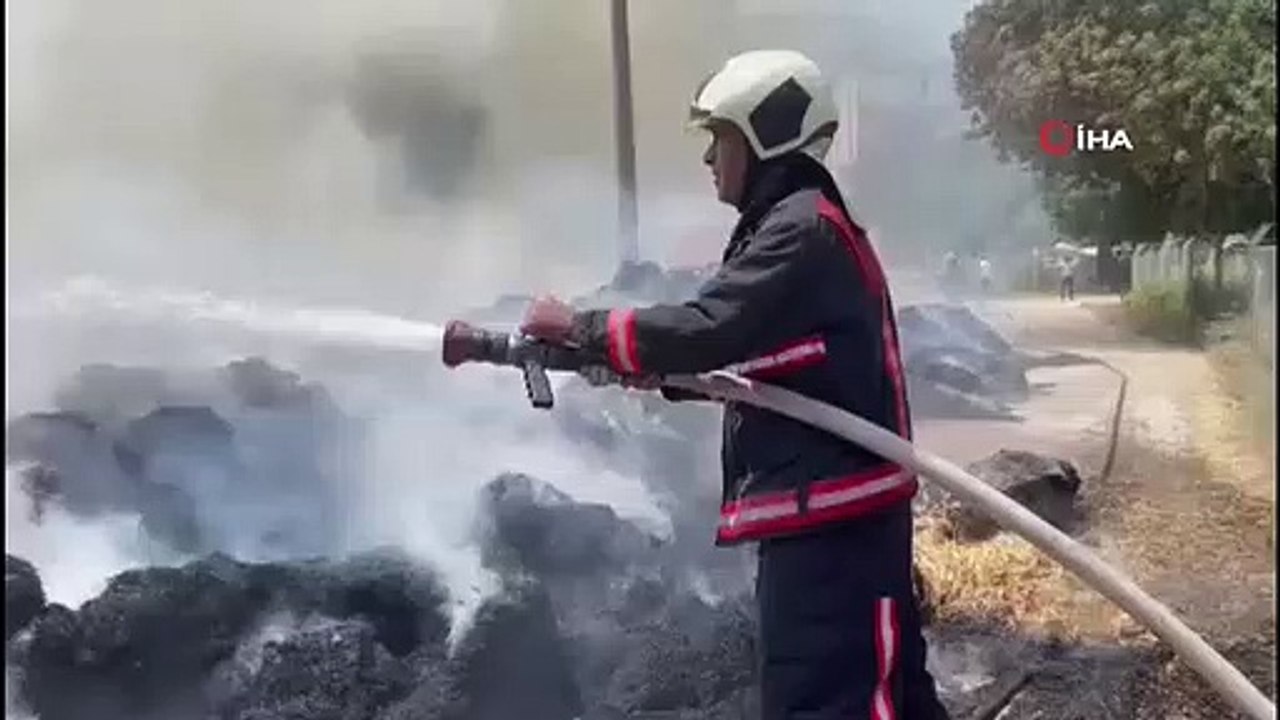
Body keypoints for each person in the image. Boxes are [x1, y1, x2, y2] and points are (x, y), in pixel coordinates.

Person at [520, 50, 949, 720]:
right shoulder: (795, 226)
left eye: (719, 138)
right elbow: (770, 360)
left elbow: (712, 326)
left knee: (829, 704)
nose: (708, 159)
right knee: (883, 698)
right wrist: (654, 370)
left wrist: (580, 326)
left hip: (835, 530)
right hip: (828, 520)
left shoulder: (800, 231)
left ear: (764, 136)